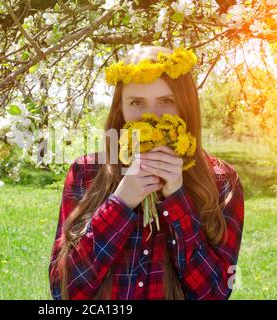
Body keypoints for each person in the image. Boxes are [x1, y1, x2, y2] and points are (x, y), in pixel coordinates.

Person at [48, 45, 245, 300]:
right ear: (121, 110)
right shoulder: (86, 173)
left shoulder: (222, 181)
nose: (151, 115)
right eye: (137, 102)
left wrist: (177, 199)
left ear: (186, 105)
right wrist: (121, 202)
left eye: (166, 101)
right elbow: (62, 291)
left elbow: (216, 293)